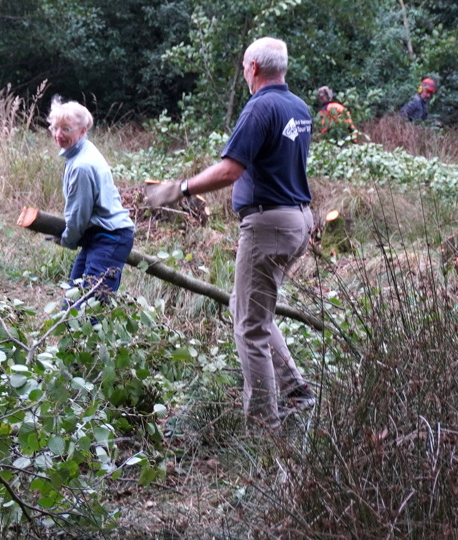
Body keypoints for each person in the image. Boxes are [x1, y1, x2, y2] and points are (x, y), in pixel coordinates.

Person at [145, 37, 316, 431]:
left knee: (249, 327)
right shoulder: (299, 107)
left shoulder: (260, 107)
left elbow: (229, 170)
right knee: (248, 308)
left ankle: (263, 427)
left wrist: (180, 189)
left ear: (253, 67)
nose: (243, 73)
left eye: (243, 66)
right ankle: (296, 389)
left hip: (269, 225)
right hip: (298, 219)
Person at [47, 97, 135, 306]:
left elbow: (79, 216)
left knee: (90, 307)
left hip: (110, 238)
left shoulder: (82, 166)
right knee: (72, 301)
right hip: (97, 236)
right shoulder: (80, 152)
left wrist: (67, 240)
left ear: (82, 130)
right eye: (55, 128)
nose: (58, 135)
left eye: (66, 129)